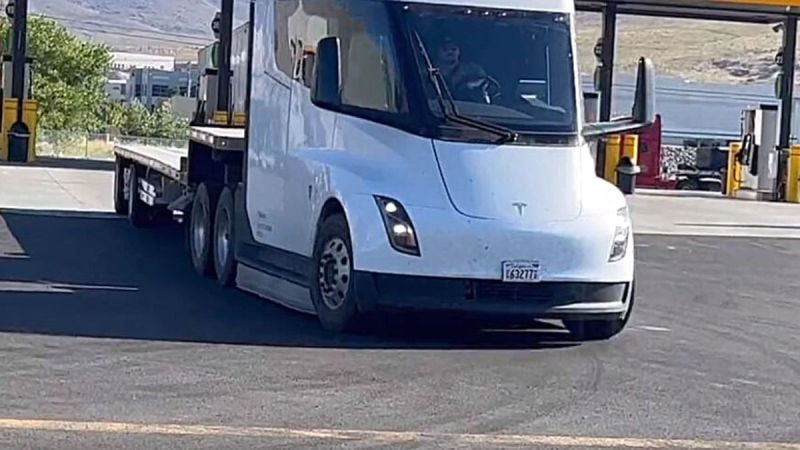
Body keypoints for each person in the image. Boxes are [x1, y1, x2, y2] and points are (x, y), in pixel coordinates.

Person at [433, 35, 490, 101]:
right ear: (437, 51)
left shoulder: (474, 71)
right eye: (445, 49)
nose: (450, 52)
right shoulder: (426, 72)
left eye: (454, 49)